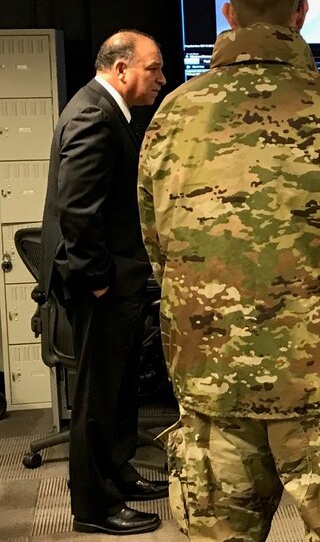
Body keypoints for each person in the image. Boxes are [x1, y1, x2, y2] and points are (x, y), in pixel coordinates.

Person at [137, 0, 320, 541]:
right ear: (300, 13)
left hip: (211, 379)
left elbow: (159, 245)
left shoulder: (172, 115)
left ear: (228, 14)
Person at [39, 30, 168, 535]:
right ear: (120, 69)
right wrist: (97, 280)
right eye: (153, 68)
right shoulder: (95, 114)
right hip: (101, 284)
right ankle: (94, 506)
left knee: (117, 391)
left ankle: (119, 474)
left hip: (114, 279)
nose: (161, 78)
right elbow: (77, 208)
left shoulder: (104, 107)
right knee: (97, 397)